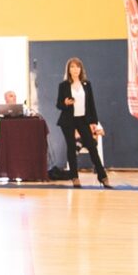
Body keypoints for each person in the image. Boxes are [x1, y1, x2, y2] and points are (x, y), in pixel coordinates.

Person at [55, 57, 111, 188]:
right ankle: (74, 177)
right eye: (72, 67)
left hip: (83, 119)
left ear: (81, 69)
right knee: (71, 148)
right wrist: (65, 103)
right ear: (68, 70)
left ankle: (102, 176)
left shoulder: (87, 84)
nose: (75, 69)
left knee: (92, 146)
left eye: (77, 67)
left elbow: (91, 105)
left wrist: (94, 122)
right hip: (68, 120)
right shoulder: (63, 85)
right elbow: (58, 104)